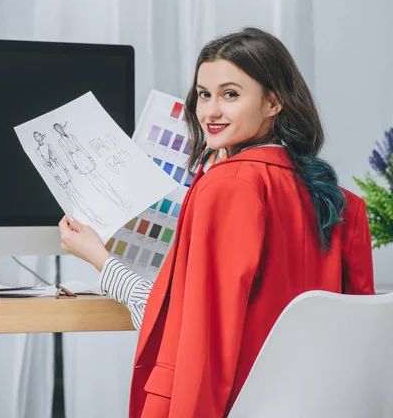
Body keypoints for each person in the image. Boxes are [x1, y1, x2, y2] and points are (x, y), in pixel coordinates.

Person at [59, 27, 374, 418]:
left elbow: (201, 342)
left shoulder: (227, 186)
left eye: (230, 94)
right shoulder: (343, 204)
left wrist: (102, 261)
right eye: (203, 95)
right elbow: (359, 350)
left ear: (273, 101)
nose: (210, 111)